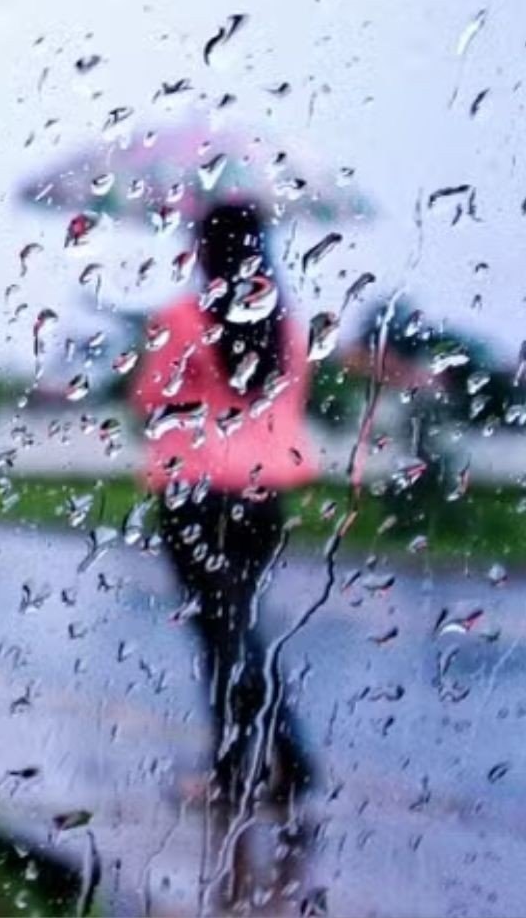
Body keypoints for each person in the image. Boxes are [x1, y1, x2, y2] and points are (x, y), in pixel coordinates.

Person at [129, 200, 318, 907]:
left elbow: (151, 397)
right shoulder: (286, 325)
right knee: (241, 627)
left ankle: (236, 774)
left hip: (195, 493)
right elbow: (289, 404)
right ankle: (289, 765)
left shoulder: (181, 320)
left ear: (205, 250)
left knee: (222, 634)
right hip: (266, 494)